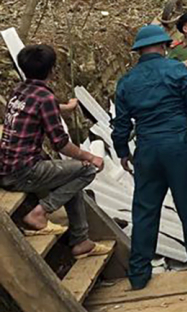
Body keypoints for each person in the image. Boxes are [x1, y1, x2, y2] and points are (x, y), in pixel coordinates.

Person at [112, 25, 187, 290]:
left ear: (139, 51)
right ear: (163, 47)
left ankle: (138, 274)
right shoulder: (176, 70)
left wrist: (122, 151)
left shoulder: (126, 81)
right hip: (178, 145)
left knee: (145, 210)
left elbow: (121, 122)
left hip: (147, 149)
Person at [0, 45, 108, 258]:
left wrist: (64, 108)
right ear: (52, 70)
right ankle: (39, 213)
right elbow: (61, 144)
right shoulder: (45, 98)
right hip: (23, 173)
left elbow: (39, 106)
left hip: (7, 167)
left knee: (69, 177)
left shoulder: (20, 90)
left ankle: (80, 241)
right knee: (86, 170)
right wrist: (90, 156)